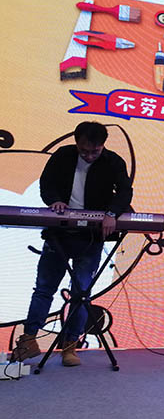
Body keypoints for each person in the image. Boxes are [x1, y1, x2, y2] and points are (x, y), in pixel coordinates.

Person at [10, 121, 132, 367]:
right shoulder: (63, 155)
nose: (89, 155)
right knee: (44, 288)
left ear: (103, 145)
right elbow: (47, 184)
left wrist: (112, 213)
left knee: (82, 293)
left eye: (95, 151)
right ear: (76, 142)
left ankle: (70, 346)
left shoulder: (113, 162)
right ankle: (28, 341)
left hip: (91, 236)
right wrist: (54, 201)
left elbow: (124, 192)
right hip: (59, 233)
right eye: (84, 150)